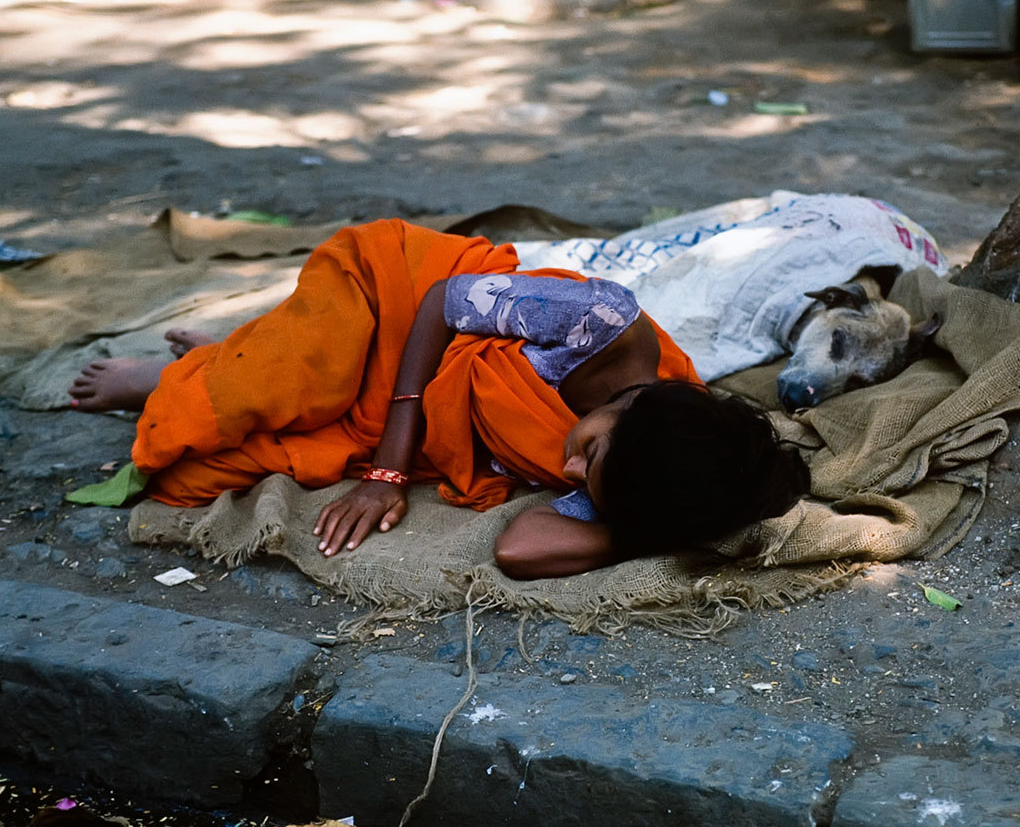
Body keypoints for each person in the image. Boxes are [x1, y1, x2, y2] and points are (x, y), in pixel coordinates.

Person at [69, 220, 809, 580]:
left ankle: (230, 352)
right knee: (295, 377)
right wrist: (389, 471)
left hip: (409, 403)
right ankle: (179, 373)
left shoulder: (637, 479)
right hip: (393, 304)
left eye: (588, 488)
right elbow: (439, 305)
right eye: (590, 455)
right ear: (633, 407)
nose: (570, 475)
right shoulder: (600, 324)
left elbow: (521, 550)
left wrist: (651, 530)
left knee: (219, 468)